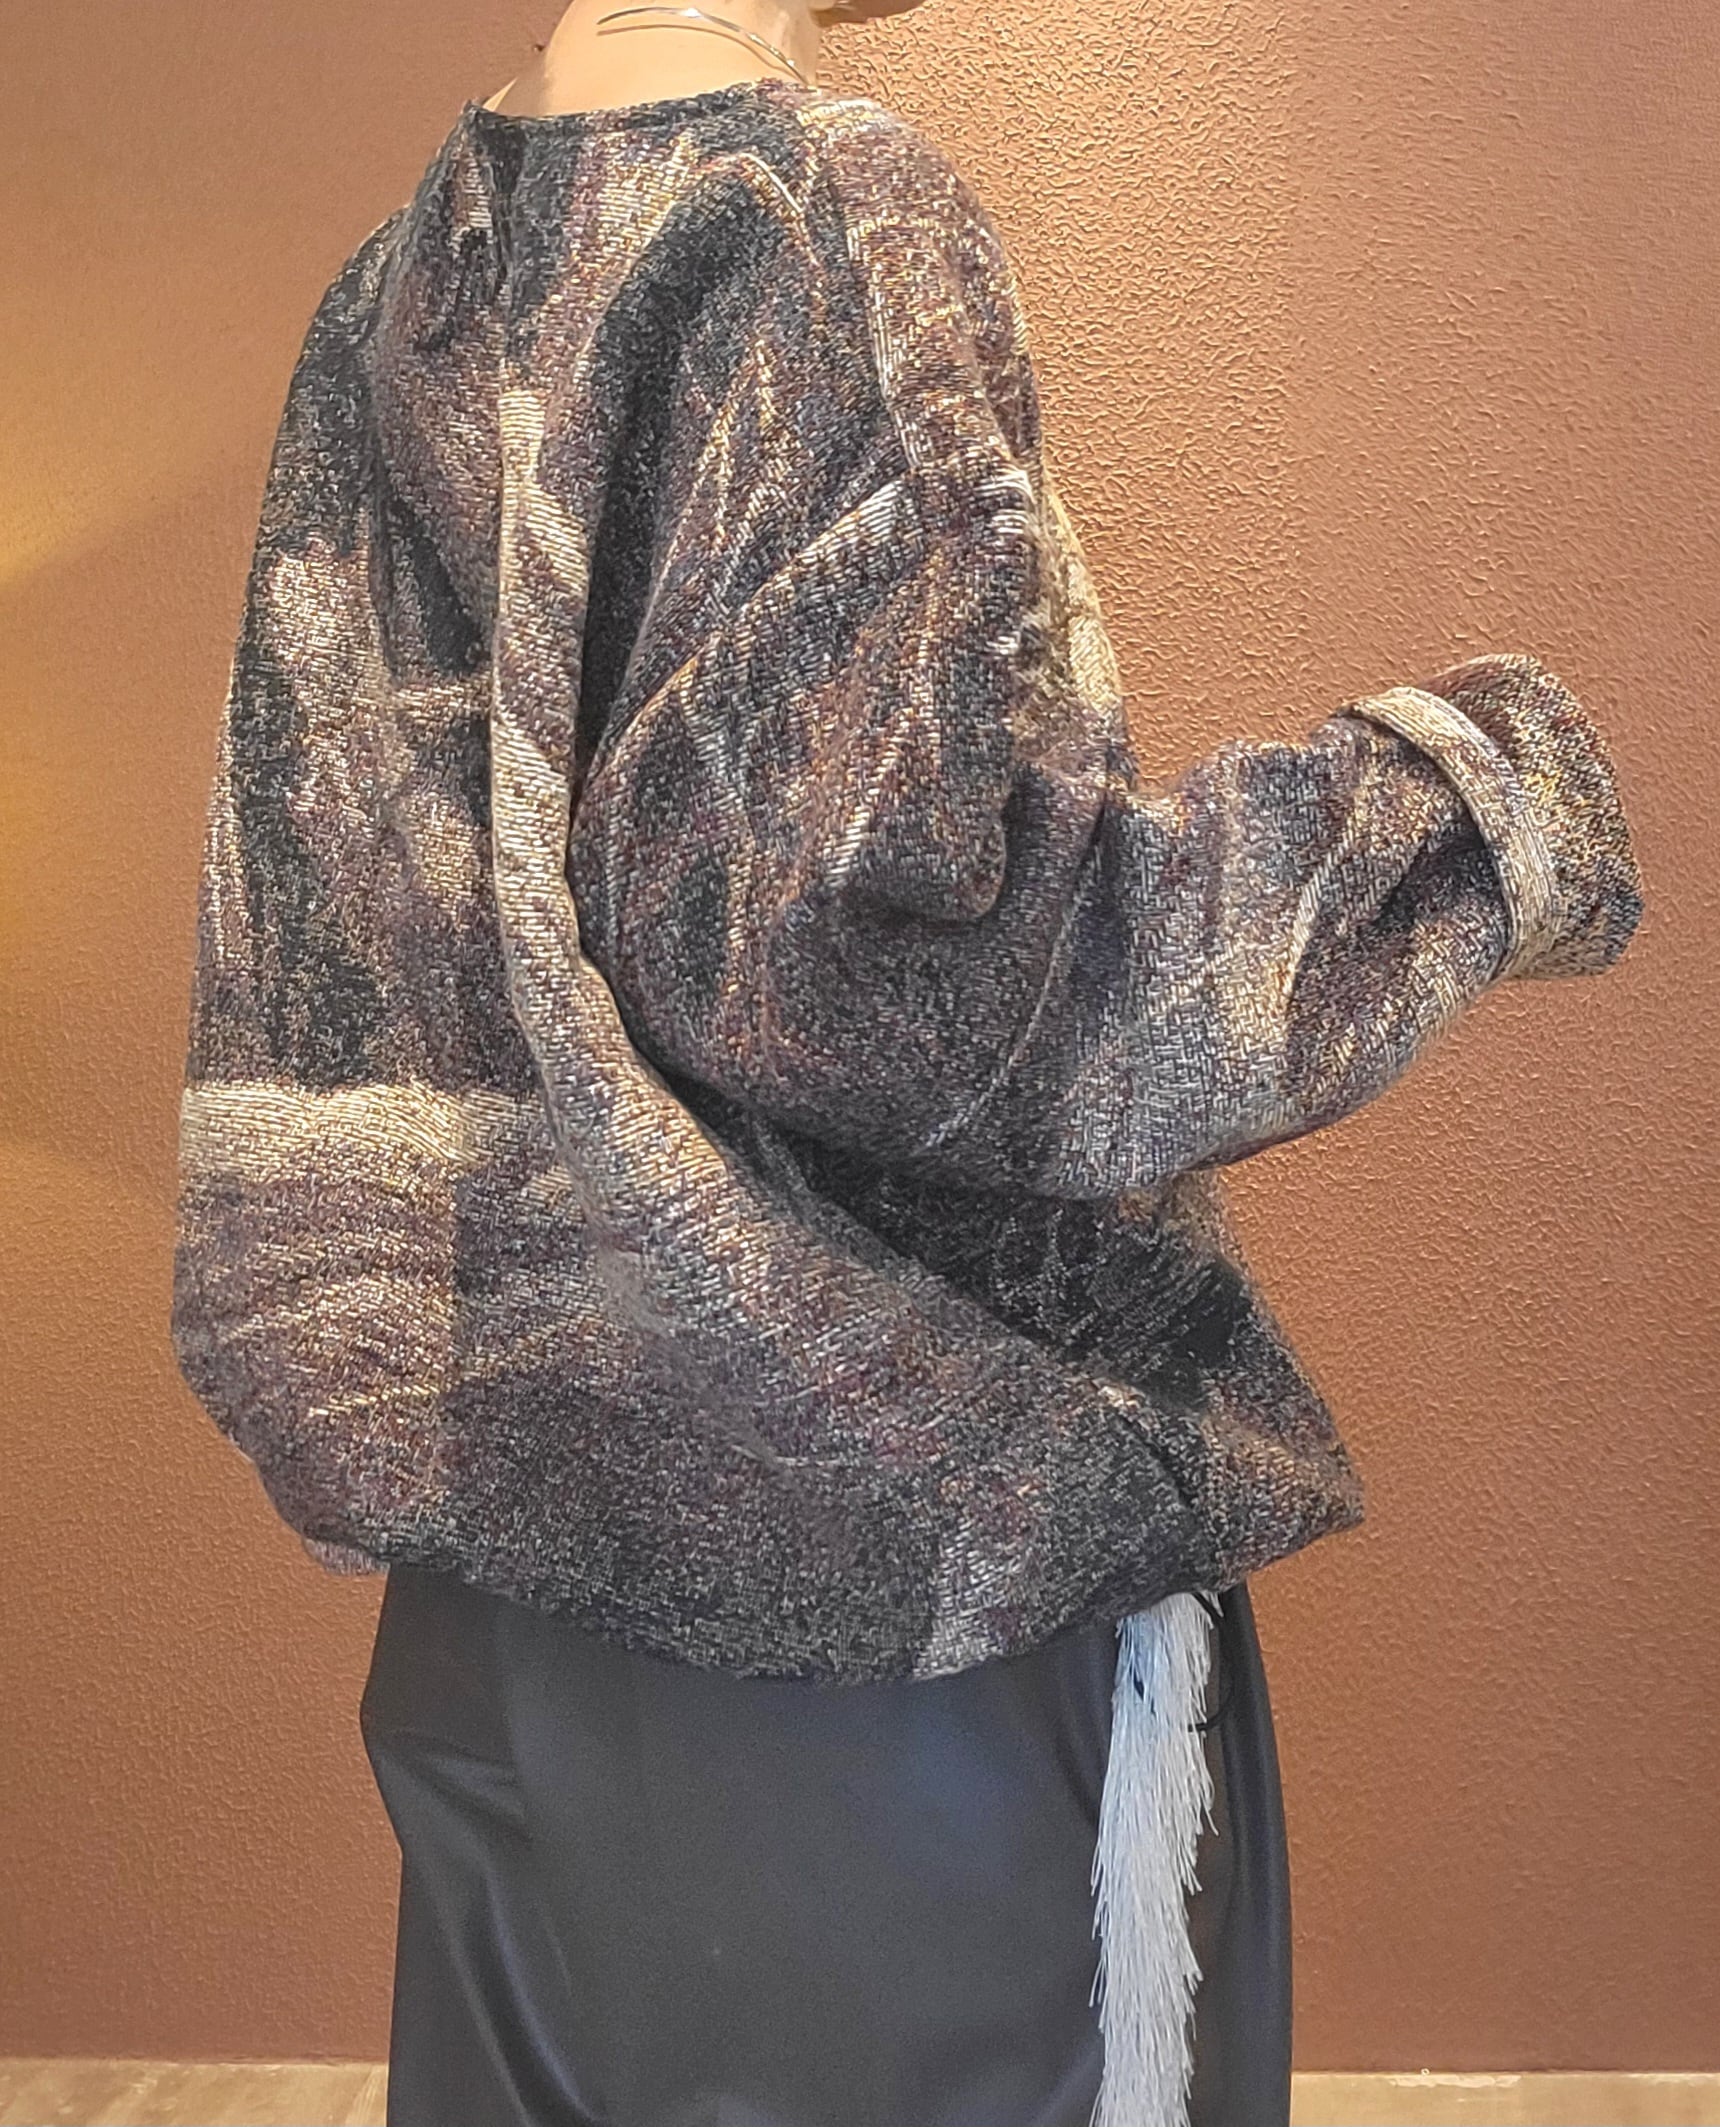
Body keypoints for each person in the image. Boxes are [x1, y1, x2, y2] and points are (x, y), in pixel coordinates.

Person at [168, 2, 1643, 2123]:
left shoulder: (403, 285)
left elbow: (314, 1001)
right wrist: (1465, 807)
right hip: (884, 1625)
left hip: (511, 1612)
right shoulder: (816, 208)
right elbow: (891, 978)